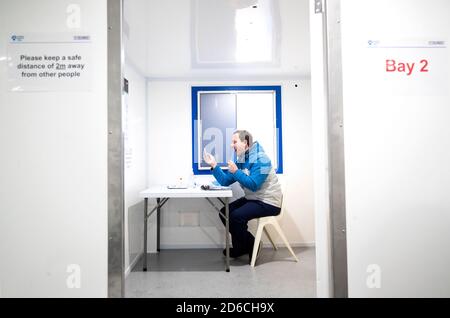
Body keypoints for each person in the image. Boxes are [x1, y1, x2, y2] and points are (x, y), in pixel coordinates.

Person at [203, 130, 282, 263]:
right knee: (225, 213)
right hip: (253, 199)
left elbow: (254, 185)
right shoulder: (241, 159)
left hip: (268, 201)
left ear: (245, 143)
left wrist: (236, 171)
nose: (231, 145)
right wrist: (214, 165)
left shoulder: (262, 160)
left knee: (236, 216)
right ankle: (242, 247)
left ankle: (252, 244)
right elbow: (225, 181)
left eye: (234, 142)